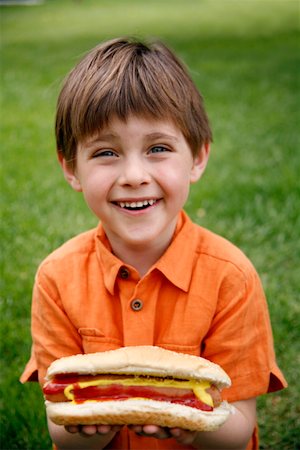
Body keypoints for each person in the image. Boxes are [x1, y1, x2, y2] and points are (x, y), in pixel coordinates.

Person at [20, 37, 287, 450]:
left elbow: (239, 429)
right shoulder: (57, 278)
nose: (133, 175)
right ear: (71, 169)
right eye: (106, 152)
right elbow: (61, 427)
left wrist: (191, 423)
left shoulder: (230, 276)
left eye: (158, 148)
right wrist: (106, 410)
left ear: (197, 157)